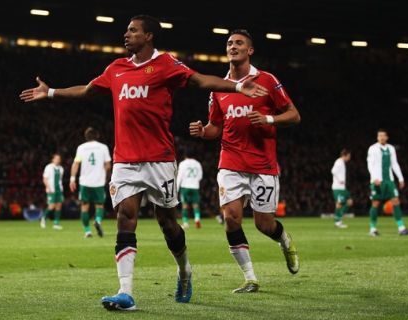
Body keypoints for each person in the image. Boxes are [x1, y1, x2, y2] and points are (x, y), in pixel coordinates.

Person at [20, 15, 268, 311]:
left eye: (133, 30)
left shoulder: (166, 64)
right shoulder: (116, 68)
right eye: (127, 30)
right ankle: (125, 292)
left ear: (148, 36)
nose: (126, 34)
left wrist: (238, 88)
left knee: (167, 223)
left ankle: (185, 269)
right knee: (126, 216)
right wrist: (49, 92)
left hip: (159, 160)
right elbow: (87, 90)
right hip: (125, 159)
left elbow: (201, 80)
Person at [189, 29, 300, 294]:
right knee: (231, 218)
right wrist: (204, 132)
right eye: (229, 43)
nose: (233, 46)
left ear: (250, 50)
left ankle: (284, 240)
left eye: (239, 43)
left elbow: (294, 115)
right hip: (230, 162)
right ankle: (250, 277)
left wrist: (269, 119)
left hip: (263, 165)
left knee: (264, 224)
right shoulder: (219, 87)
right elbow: (216, 126)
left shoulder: (267, 80)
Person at [367, 129, 408, 236]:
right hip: (378, 180)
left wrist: (400, 178)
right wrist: (374, 178)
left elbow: (394, 164)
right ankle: (372, 229)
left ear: (387, 137)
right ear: (377, 137)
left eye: (383, 136)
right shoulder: (373, 148)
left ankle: (401, 228)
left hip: (389, 180)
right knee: (376, 203)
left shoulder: (391, 148)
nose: (381, 137)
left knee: (396, 201)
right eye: (379, 136)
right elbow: (370, 164)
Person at [70, 127, 112, 238]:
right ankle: (97, 220)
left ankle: (87, 231)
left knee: (84, 206)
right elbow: (108, 165)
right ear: (97, 136)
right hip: (98, 182)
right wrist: (106, 175)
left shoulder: (81, 148)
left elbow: (76, 163)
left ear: (86, 137)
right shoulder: (103, 147)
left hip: (85, 182)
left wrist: (72, 179)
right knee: (99, 205)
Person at [177, 148, 203, 229]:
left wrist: (176, 189)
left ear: (185, 155)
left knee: (185, 205)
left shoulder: (182, 164)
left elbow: (179, 177)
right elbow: (200, 176)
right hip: (195, 186)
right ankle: (197, 219)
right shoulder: (197, 164)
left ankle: (185, 223)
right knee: (195, 205)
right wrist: (195, 181)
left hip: (185, 186)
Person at [41, 153, 64, 230]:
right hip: (51, 189)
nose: (58, 160)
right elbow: (45, 178)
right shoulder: (48, 167)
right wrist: (48, 187)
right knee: (51, 206)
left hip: (59, 190)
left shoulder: (61, 168)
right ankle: (43, 218)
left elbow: (60, 180)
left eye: (59, 159)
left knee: (59, 206)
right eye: (56, 158)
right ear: (53, 159)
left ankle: (56, 223)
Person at [331, 149, 352, 228]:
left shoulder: (342, 162)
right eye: (349, 156)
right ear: (344, 155)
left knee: (349, 202)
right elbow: (333, 171)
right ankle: (338, 222)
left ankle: (338, 218)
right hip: (338, 187)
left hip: (342, 188)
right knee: (339, 204)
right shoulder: (339, 162)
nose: (349, 158)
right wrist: (340, 180)